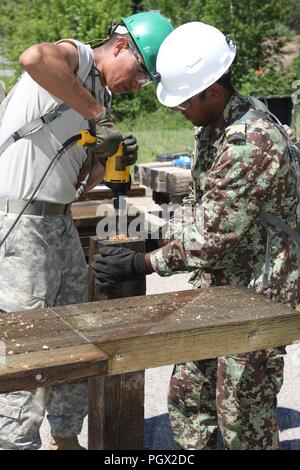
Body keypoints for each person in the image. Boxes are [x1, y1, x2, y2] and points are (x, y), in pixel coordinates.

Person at [93, 22, 300, 450]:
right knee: (189, 397)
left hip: (258, 297)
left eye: (184, 100)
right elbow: (201, 207)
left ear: (212, 90)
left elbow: (212, 236)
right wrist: (156, 234)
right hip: (218, 287)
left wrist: (144, 262)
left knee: (242, 417)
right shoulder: (213, 128)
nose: (177, 108)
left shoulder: (250, 143)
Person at [0, 11, 173, 450]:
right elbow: (33, 56)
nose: (139, 84)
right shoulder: (75, 59)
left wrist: (109, 158)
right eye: (140, 72)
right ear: (119, 46)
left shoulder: (101, 101)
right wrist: (97, 117)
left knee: (74, 331)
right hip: (20, 221)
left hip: (56, 219)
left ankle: (65, 435)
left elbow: (79, 184)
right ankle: (16, 442)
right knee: (29, 337)